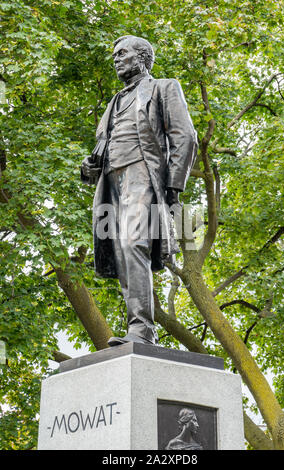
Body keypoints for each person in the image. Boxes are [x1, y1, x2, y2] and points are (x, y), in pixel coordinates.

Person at [81, 35, 198, 346]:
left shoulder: (163, 87)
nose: (116, 59)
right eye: (115, 56)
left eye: (123, 53)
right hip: (111, 182)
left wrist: (172, 186)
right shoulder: (114, 103)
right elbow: (101, 149)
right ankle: (138, 327)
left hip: (143, 174)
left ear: (142, 56)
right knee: (120, 252)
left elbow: (185, 136)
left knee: (134, 243)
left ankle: (141, 330)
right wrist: (88, 167)